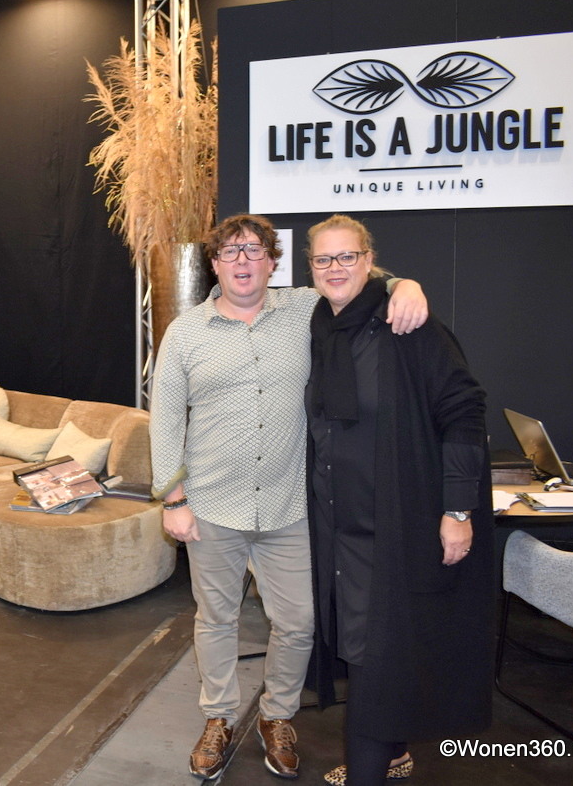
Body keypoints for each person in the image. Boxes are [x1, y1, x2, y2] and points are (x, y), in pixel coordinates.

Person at [149, 214, 428, 782]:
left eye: (254, 250)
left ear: (273, 262)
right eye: (231, 252)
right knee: (217, 619)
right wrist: (173, 500)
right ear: (215, 264)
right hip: (211, 506)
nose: (243, 261)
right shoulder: (185, 332)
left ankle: (276, 715)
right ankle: (219, 717)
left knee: (299, 623)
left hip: (290, 507)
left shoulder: (305, 309)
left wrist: (406, 285)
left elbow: (356, 278)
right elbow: (165, 419)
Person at [303, 214, 492, 786]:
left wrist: (457, 510)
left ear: (368, 260)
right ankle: (393, 754)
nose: (335, 268)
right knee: (364, 645)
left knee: (376, 652)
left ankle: (368, 771)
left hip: (394, 524)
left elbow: (464, 412)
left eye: (347, 256)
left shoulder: (408, 325)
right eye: (323, 259)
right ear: (310, 267)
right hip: (338, 526)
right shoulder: (318, 324)